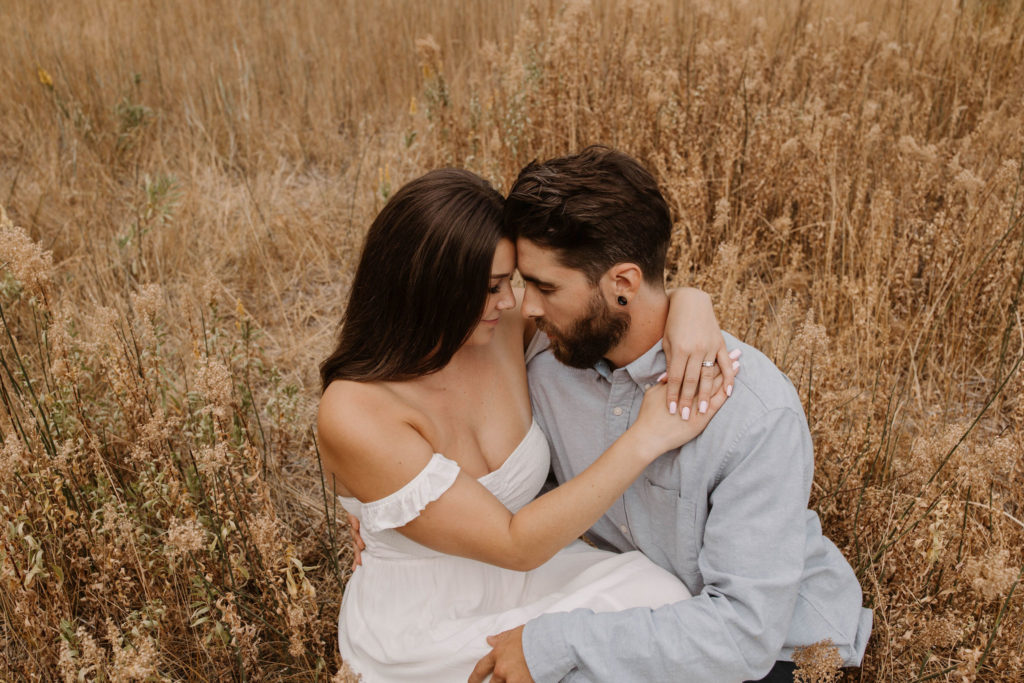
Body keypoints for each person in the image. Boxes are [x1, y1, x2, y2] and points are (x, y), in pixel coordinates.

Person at [471, 146, 873, 683]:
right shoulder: (547, 360)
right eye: (526, 284)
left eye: (546, 287)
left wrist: (557, 641)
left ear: (623, 284)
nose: (530, 308)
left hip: (778, 652)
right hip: (629, 606)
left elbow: (742, 636)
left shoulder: (753, 413)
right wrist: (385, 499)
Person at [316, 168, 736, 682]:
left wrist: (691, 303)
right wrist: (644, 439)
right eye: (493, 287)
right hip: (428, 618)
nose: (513, 302)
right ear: (432, 289)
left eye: (512, 282)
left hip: (535, 575)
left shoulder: (499, 329)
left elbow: (607, 305)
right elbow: (513, 543)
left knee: (663, 600)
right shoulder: (355, 412)